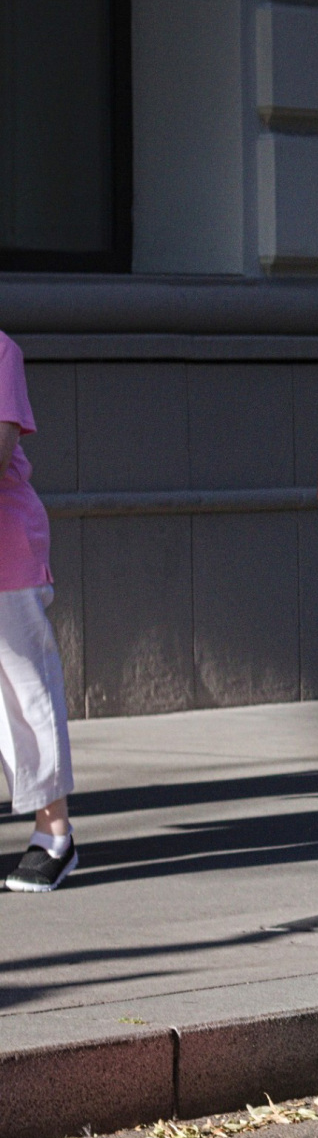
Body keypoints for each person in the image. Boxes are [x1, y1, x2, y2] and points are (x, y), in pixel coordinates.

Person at [0, 328, 76, 892]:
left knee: (26, 697)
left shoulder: (1, 350)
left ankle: (55, 835)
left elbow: (1, 446)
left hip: (8, 554)